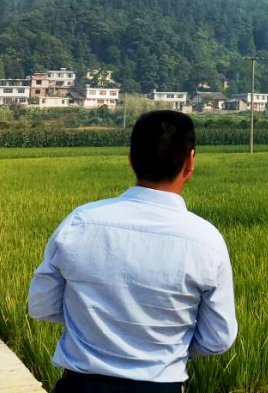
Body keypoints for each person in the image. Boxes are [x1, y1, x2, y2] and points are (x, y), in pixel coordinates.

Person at [28, 110, 237, 392]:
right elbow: (218, 338)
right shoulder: (206, 240)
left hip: (79, 386)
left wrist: (93, 325)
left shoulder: (80, 222)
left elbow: (40, 305)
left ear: (130, 159)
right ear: (190, 162)